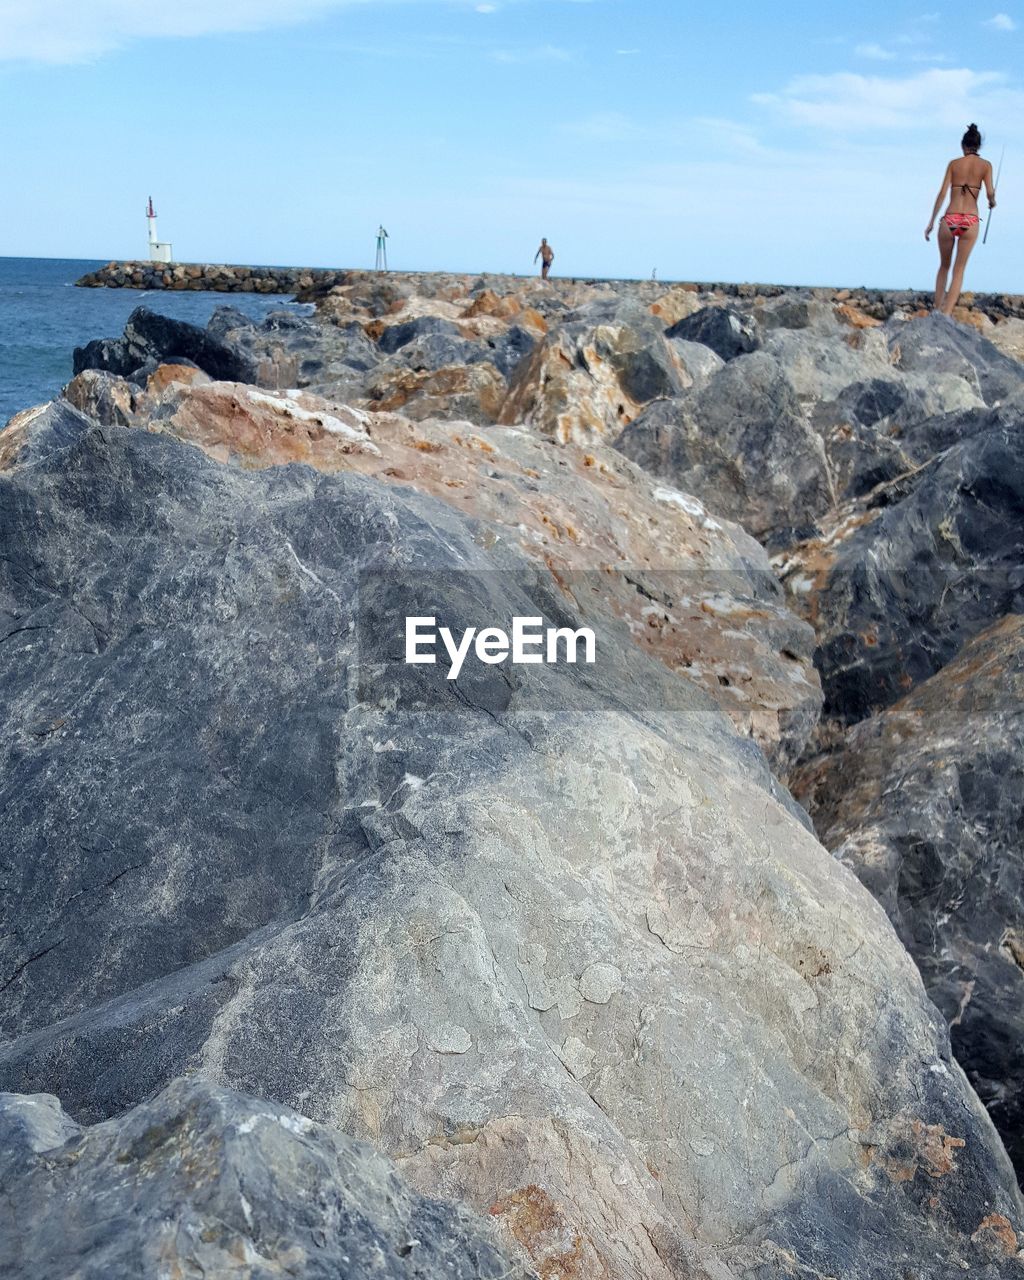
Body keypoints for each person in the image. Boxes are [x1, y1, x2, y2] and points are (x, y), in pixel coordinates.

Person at [925, 123, 996, 316]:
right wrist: (992, 201)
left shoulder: (953, 164)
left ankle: (936, 311)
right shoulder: (986, 166)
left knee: (944, 266)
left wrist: (931, 221)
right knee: (959, 270)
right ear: (978, 146)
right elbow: (990, 193)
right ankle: (946, 314)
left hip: (949, 219)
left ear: (962, 145)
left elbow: (941, 193)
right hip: (970, 221)